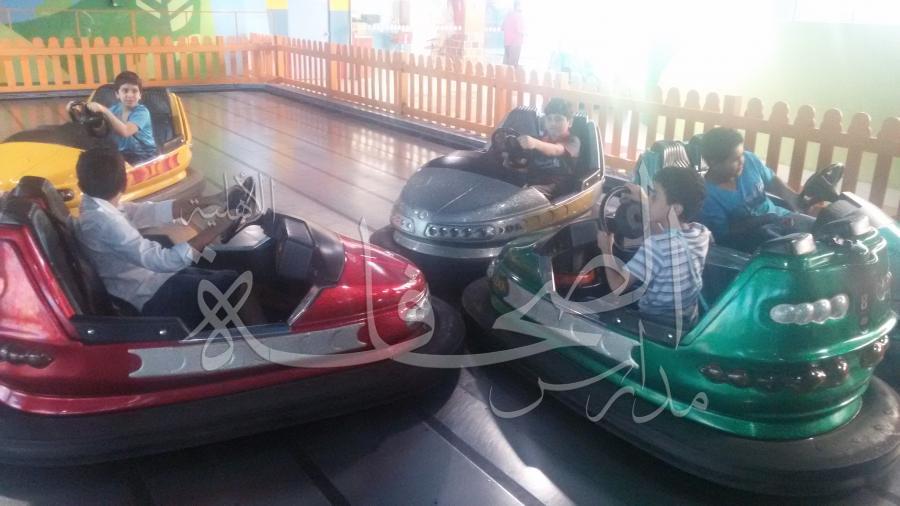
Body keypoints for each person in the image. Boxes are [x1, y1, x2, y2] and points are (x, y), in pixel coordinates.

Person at [73, 147, 257, 331]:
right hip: (149, 296)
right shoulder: (105, 221)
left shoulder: (98, 208)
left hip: (154, 280)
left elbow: (150, 211)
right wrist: (217, 227)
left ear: (82, 184)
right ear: (125, 182)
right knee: (237, 283)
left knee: (228, 274)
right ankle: (261, 341)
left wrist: (215, 199)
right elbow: (165, 261)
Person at [596, 166, 711, 326]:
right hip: (687, 318)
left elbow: (617, 287)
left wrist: (606, 249)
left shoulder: (656, 246)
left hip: (655, 323)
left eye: (654, 196)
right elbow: (670, 239)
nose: (649, 199)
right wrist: (644, 201)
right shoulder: (701, 232)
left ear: (676, 209)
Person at [698, 127, 814, 252]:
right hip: (753, 238)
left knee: (821, 228)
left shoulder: (750, 160)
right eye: (735, 159)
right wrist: (764, 219)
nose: (742, 161)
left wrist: (794, 199)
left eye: (742, 155)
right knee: (795, 249)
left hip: (782, 217)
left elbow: (772, 182)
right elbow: (724, 233)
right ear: (714, 162)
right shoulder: (708, 196)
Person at [68, 71, 157, 164]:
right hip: (122, 155)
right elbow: (101, 128)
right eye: (125, 91)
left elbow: (126, 131)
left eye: (134, 91)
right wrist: (81, 111)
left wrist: (104, 110)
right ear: (117, 94)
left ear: (140, 95)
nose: (130, 95)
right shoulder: (114, 109)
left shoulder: (142, 112)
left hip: (145, 157)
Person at [508, 97, 581, 198]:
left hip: (557, 186)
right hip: (534, 181)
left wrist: (535, 143)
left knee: (527, 195)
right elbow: (527, 164)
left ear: (570, 122)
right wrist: (512, 160)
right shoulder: (542, 139)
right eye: (549, 119)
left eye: (558, 119)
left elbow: (556, 150)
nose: (553, 123)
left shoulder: (572, 141)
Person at [501, 1, 524, 66]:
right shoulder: (519, 16)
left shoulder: (507, 15)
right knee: (513, 65)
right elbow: (520, 30)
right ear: (518, 6)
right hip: (515, 43)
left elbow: (502, 28)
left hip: (507, 43)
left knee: (506, 65)